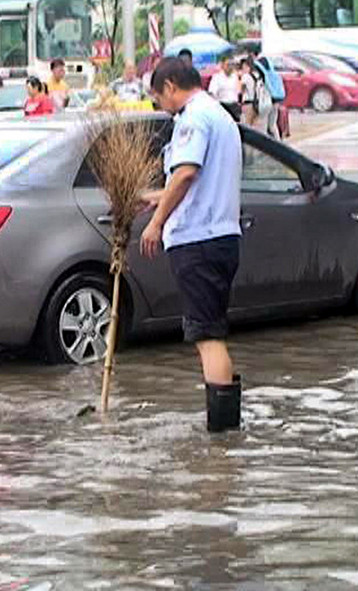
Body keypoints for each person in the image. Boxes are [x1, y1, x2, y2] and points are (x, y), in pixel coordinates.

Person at [141, 56, 243, 432]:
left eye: (158, 98)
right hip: (221, 236)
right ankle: (226, 433)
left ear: (170, 86)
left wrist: (155, 223)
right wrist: (156, 197)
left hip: (199, 240)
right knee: (211, 331)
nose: (161, 107)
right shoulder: (220, 116)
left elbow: (186, 173)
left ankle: (221, 438)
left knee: (207, 336)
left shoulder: (193, 118)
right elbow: (195, 182)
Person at [254, 56, 286, 140]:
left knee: (263, 125)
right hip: (276, 101)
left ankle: (265, 143)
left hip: (266, 102)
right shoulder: (276, 75)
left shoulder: (264, 77)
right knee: (272, 125)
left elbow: (263, 89)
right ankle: (278, 141)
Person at [208, 56, 242, 122]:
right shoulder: (217, 77)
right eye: (228, 64)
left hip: (234, 107)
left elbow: (238, 92)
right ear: (222, 65)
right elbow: (212, 93)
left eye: (232, 65)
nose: (230, 67)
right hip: (223, 106)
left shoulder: (235, 77)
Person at [240, 58, 257, 126]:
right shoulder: (254, 76)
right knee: (252, 124)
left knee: (247, 124)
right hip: (255, 102)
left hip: (247, 103)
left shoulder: (245, 76)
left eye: (244, 67)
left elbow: (241, 90)